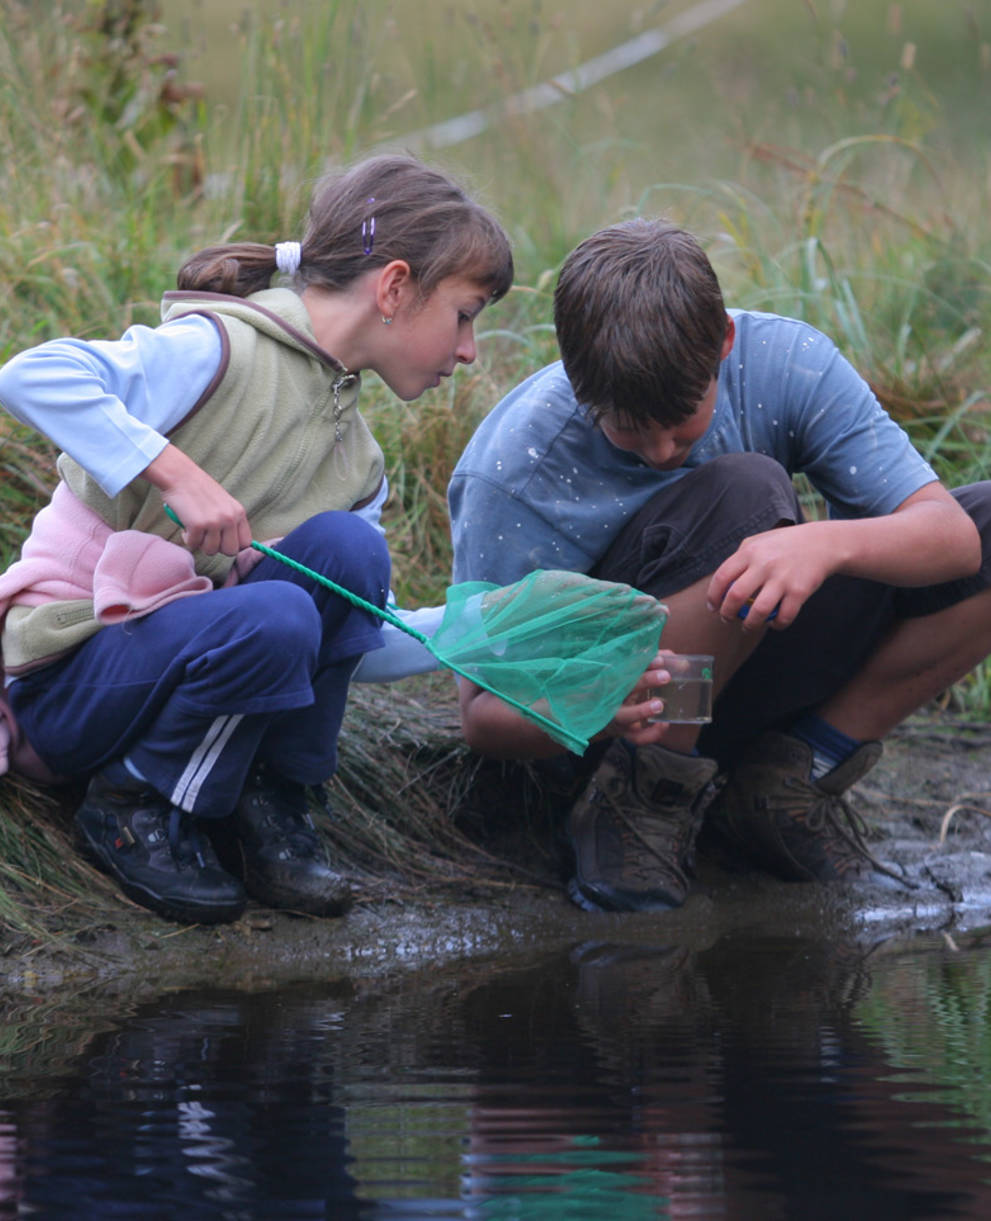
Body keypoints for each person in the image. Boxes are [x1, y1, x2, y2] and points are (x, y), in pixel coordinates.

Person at [0, 153, 513, 926]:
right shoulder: (217, 349)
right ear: (395, 287)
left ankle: (270, 804)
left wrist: (495, 625)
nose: (469, 349)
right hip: (66, 682)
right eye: (465, 313)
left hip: (176, 670)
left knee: (351, 553)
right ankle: (131, 805)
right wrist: (175, 474)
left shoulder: (357, 459)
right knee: (276, 615)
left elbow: (353, 635)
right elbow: (29, 376)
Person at [448, 217, 991, 914]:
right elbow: (481, 716)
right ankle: (645, 797)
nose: (661, 450)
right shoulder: (515, 468)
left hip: (744, 668)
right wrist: (589, 704)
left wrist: (826, 543)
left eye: (682, 419)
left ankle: (787, 780)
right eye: (627, 430)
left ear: (724, 345)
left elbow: (950, 540)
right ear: (577, 384)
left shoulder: (786, 363)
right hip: (605, 720)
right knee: (750, 491)